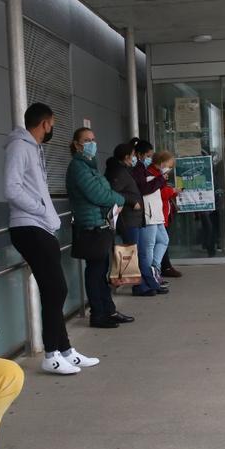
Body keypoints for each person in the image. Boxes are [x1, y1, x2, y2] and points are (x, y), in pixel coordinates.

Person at [6, 103, 101, 375]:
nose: (52, 129)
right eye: (52, 124)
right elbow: (11, 188)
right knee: (55, 289)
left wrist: (46, 214)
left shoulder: (33, 148)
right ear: (45, 123)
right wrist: (40, 208)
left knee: (55, 289)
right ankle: (51, 353)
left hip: (40, 226)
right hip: (29, 226)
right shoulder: (19, 147)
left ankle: (65, 350)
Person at [67, 128, 133, 327]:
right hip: (90, 227)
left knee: (102, 270)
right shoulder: (78, 167)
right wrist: (121, 199)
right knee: (95, 272)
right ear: (77, 145)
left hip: (100, 225)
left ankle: (108, 310)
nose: (92, 143)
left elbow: (104, 191)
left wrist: (113, 198)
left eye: (93, 139)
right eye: (87, 140)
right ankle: (98, 314)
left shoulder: (89, 166)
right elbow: (99, 194)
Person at [105, 143, 157, 296]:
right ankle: (140, 286)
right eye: (133, 155)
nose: (135, 158)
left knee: (138, 253)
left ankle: (149, 282)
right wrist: (130, 201)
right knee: (132, 253)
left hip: (134, 218)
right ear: (127, 156)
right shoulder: (118, 172)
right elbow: (113, 192)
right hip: (127, 218)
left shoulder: (124, 170)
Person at [131, 138, 170, 293]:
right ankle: (150, 276)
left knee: (162, 240)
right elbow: (144, 188)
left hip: (154, 213)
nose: (150, 158)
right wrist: (160, 179)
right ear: (140, 154)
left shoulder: (143, 169)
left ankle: (154, 270)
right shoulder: (138, 169)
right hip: (147, 214)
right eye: (148, 155)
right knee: (148, 246)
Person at [151, 150, 181, 277]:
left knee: (163, 241)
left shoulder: (159, 174)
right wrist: (173, 190)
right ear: (162, 162)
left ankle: (160, 268)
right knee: (161, 242)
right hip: (157, 215)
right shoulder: (153, 174)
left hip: (162, 213)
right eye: (168, 165)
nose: (169, 168)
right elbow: (160, 193)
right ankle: (159, 268)